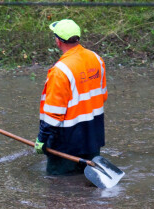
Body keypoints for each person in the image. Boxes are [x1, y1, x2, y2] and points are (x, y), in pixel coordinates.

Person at [35, 19, 108, 175]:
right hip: (93, 134)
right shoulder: (96, 59)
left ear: (58, 41)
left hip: (66, 140)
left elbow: (53, 113)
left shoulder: (60, 71)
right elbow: (103, 95)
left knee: (58, 186)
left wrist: (42, 139)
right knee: (88, 180)